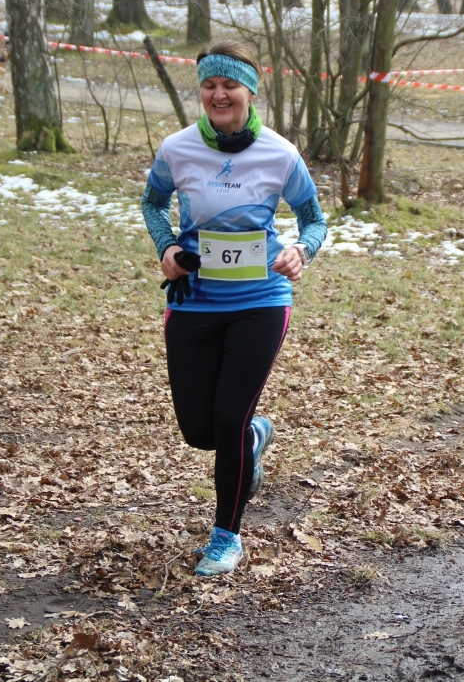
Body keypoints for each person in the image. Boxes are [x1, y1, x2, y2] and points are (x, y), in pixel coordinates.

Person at [140, 40, 327, 577]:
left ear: (250, 91)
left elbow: (314, 218)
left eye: (230, 85)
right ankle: (255, 435)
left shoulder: (279, 153)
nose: (219, 95)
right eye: (209, 85)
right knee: (200, 432)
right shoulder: (177, 148)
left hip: (260, 301)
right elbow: (152, 202)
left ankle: (226, 537)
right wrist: (166, 246)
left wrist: (301, 250)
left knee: (228, 418)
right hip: (194, 300)